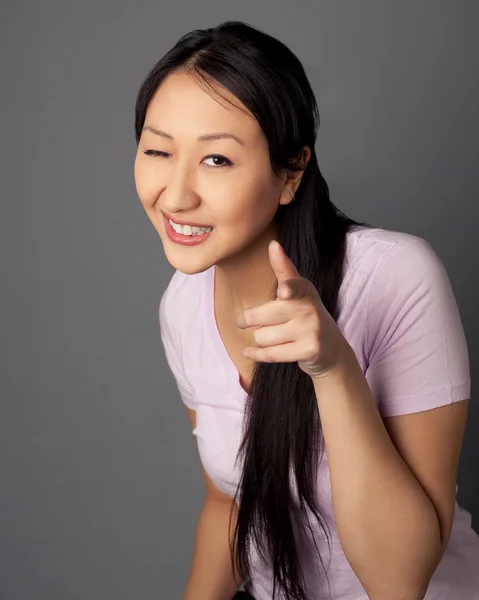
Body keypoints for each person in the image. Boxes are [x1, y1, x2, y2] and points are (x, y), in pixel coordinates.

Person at [133, 20, 479, 600]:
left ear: (291, 172)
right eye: (157, 150)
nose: (175, 194)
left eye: (217, 160)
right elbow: (228, 503)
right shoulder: (182, 304)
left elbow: (401, 580)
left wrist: (334, 368)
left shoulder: (396, 277)